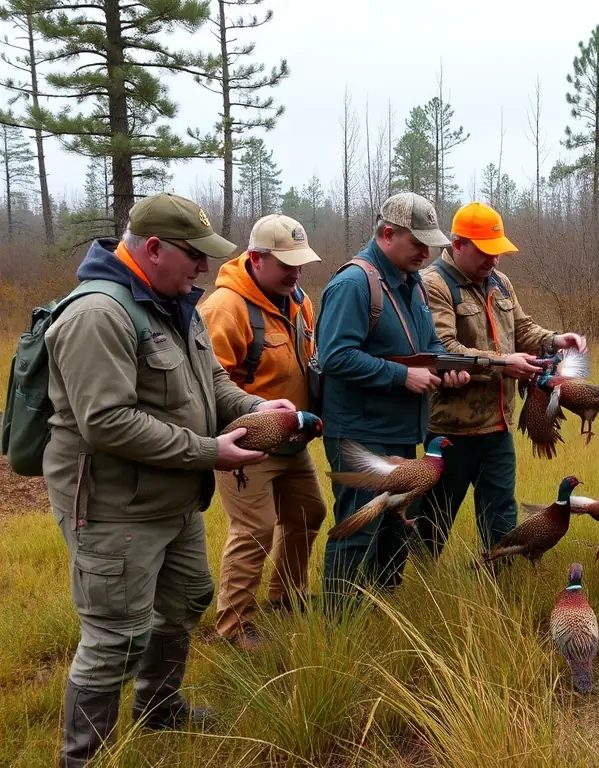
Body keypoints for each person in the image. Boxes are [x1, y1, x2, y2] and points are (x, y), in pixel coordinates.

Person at [42, 192, 297, 767]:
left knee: (186, 598)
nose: (204, 268)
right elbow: (106, 422)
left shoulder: (174, 302)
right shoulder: (97, 315)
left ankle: (159, 706)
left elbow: (213, 385)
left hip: (173, 496)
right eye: (194, 256)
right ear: (153, 249)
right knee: (115, 636)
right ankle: (82, 758)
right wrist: (211, 451)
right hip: (114, 505)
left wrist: (258, 410)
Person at [316, 192, 470, 609]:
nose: (426, 252)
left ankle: (382, 614)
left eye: (430, 245)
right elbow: (335, 357)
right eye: (418, 243)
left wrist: (446, 370)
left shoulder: (412, 283)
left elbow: (430, 345)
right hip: (361, 436)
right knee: (359, 530)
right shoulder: (353, 283)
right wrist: (402, 376)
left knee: (393, 530)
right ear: (387, 234)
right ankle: (337, 624)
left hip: (402, 434)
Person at [418, 201, 587, 560]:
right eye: (484, 252)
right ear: (458, 244)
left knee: (501, 520)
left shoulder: (501, 283)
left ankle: (500, 584)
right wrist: (503, 365)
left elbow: (522, 329)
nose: (493, 260)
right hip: (451, 431)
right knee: (433, 520)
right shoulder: (433, 285)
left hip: (498, 427)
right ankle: (419, 585)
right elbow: (443, 347)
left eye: (498, 252)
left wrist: (555, 339)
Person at [198, 213, 327, 651]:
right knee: (254, 528)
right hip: (246, 444)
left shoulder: (299, 301)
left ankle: (285, 598)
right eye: (285, 264)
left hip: (293, 442)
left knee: (309, 514)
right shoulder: (224, 308)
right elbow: (207, 385)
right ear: (254, 259)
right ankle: (234, 628)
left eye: (300, 263)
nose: (296, 273)